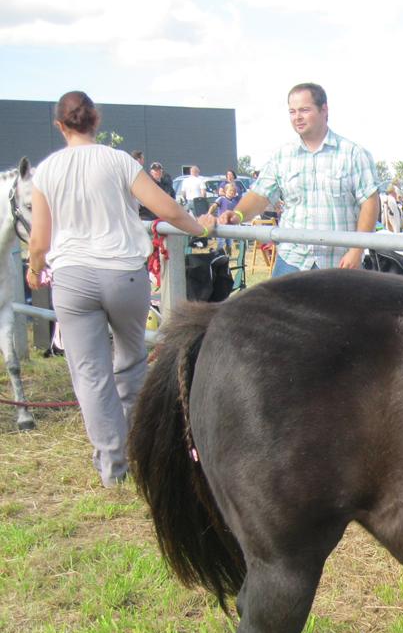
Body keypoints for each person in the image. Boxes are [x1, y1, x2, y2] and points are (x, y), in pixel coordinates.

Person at [25, 91, 214, 488]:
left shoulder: (46, 171)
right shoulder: (119, 161)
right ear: (96, 120)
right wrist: (200, 229)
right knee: (131, 361)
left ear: (59, 125)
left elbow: (39, 241)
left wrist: (35, 268)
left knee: (90, 375)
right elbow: (167, 209)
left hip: (73, 278)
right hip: (124, 274)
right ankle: (139, 444)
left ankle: (113, 466)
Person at [216, 82, 380, 275]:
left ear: (324, 110)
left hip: (341, 263)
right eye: (292, 112)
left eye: (304, 110)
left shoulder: (354, 154)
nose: (297, 117)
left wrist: (357, 250)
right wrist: (238, 214)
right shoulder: (281, 156)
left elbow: (370, 203)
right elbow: (260, 195)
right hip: (291, 261)